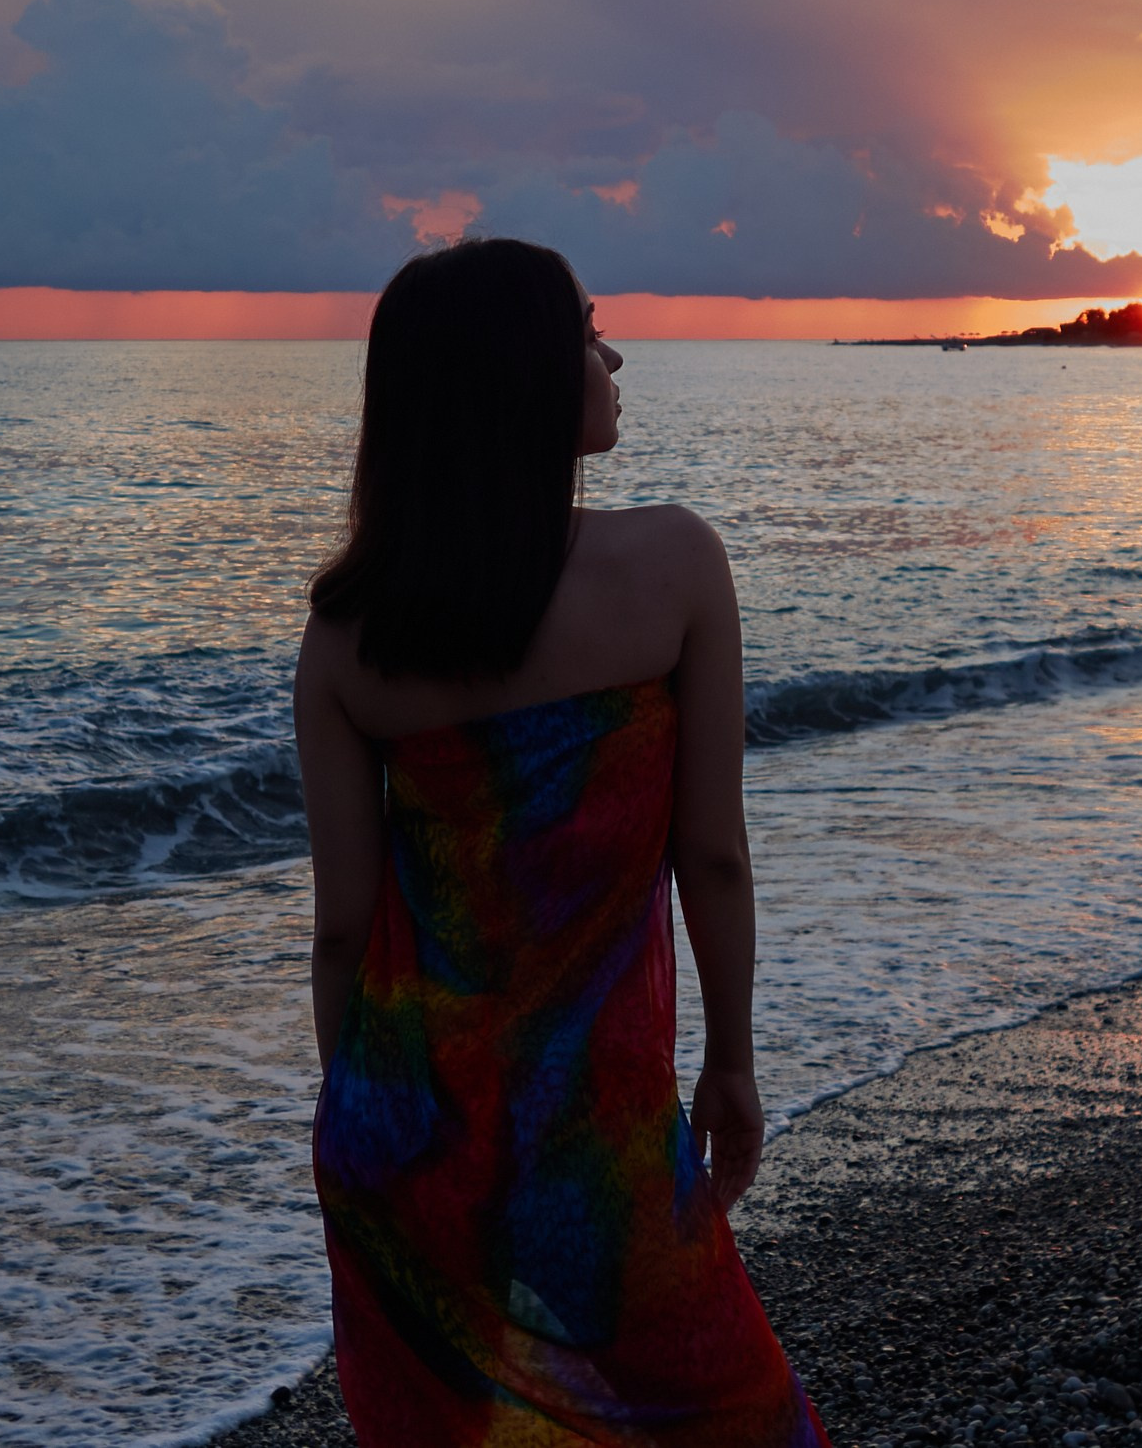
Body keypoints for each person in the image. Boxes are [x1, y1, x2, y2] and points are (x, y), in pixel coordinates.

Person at [294, 238, 828, 1446]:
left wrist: (362, 1122)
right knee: (725, 1418)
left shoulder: (347, 635)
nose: (614, 352)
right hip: (599, 1143)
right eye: (589, 330)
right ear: (523, 373)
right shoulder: (676, 565)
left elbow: (341, 928)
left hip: (403, 1131)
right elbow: (716, 856)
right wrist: (732, 1062)